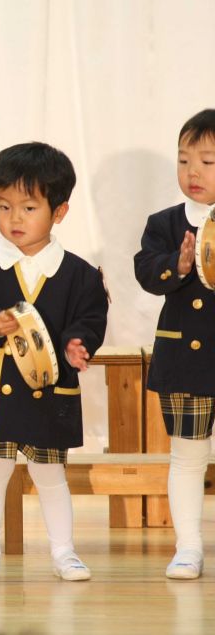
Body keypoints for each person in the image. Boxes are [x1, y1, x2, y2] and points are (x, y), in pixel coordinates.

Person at [0, 142, 108, 581]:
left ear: (60, 212)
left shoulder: (80, 274)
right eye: (4, 206)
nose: (14, 218)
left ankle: (64, 552)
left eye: (29, 208)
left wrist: (78, 345)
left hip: (49, 393)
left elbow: (90, 319)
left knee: (51, 474)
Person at [134, 109, 215, 579]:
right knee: (187, 455)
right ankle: (188, 547)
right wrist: (178, 266)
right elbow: (146, 272)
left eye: (207, 161)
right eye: (184, 161)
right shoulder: (164, 222)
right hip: (185, 359)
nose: (193, 172)